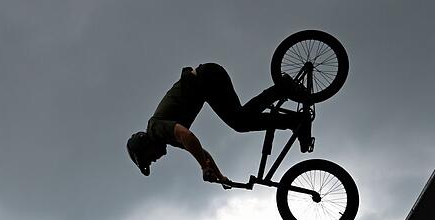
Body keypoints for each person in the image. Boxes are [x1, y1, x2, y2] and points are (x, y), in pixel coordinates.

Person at [126, 63, 312, 183]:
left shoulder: (155, 128)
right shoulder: (166, 137)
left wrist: (204, 167)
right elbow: (201, 151)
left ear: (145, 146)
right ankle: (289, 108)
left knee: (239, 121)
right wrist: (220, 176)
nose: (155, 160)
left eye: (149, 158)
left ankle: (290, 109)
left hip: (206, 79)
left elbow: (188, 136)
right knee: (241, 119)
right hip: (208, 80)